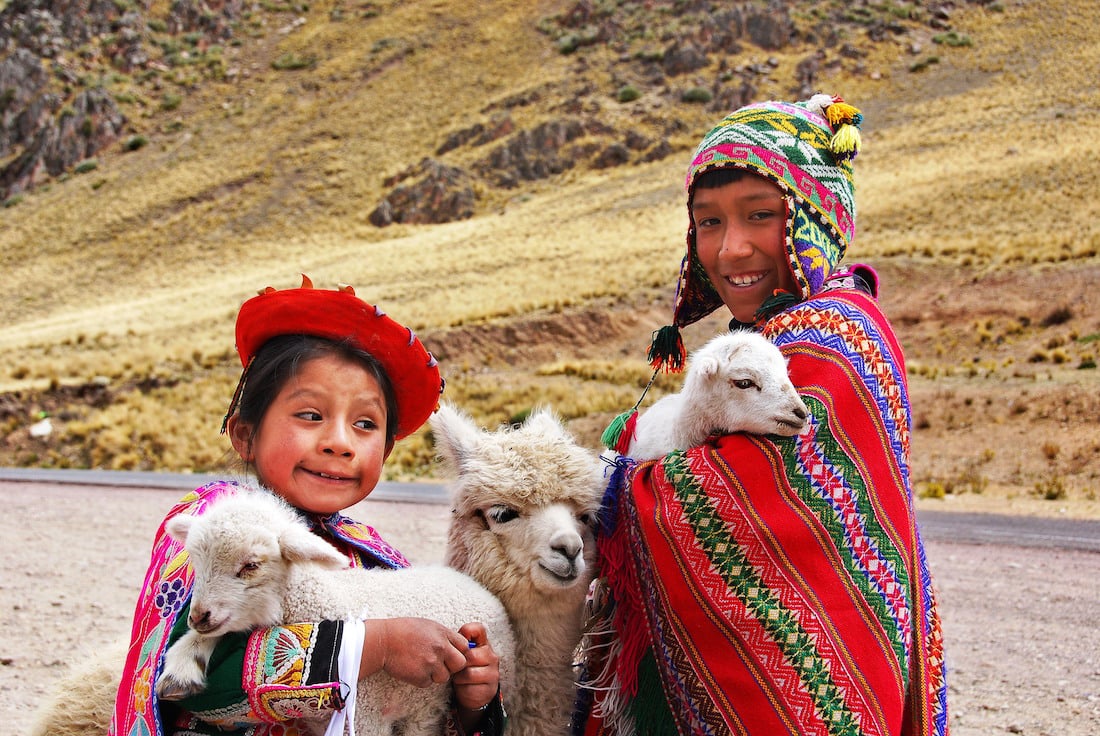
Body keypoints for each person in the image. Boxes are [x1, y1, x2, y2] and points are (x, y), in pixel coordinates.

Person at [574, 95, 949, 735]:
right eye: (710, 223)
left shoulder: (832, 341)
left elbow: (733, 498)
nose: (732, 248)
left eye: (760, 216)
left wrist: (602, 476)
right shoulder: (777, 335)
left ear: (811, 220)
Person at [110, 276, 504, 736]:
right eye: (311, 415)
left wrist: (471, 697)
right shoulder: (212, 525)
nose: (339, 442)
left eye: (364, 423)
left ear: (387, 451)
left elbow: (408, 708)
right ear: (244, 434)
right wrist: (375, 643)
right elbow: (190, 677)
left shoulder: (372, 557)